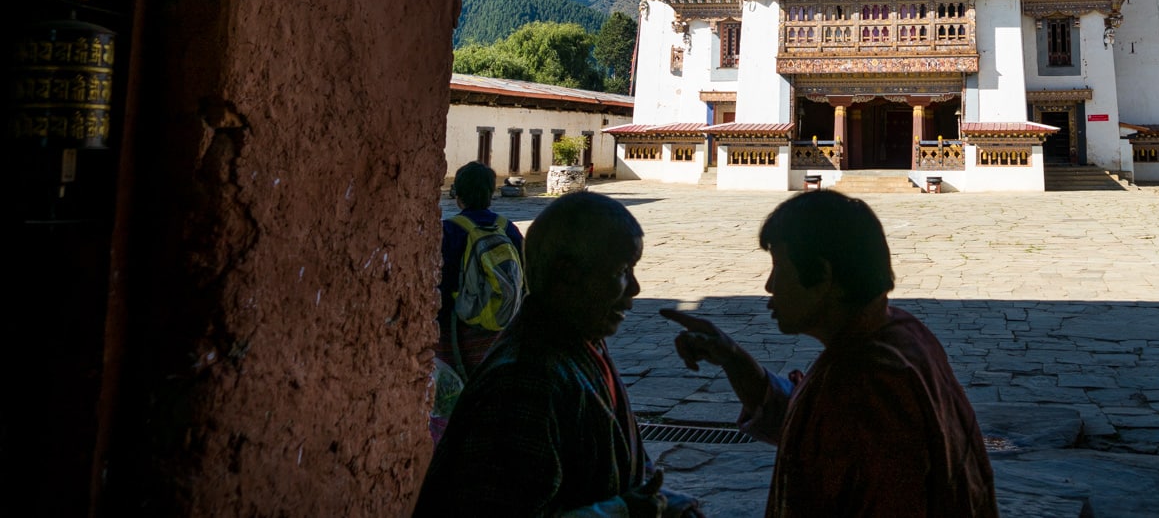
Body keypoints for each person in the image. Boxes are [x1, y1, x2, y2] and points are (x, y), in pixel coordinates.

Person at [661, 189, 998, 518]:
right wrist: (733, 358)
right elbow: (811, 426)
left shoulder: (868, 382)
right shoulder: (900, 333)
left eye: (779, 268)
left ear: (822, 275)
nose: (769, 286)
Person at [415, 191, 702, 516]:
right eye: (622, 270)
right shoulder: (525, 382)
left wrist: (664, 502)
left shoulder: (582, 341)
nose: (635, 288)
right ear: (568, 274)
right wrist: (621, 511)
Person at [438, 162, 525, 378]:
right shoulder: (507, 228)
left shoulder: (448, 231)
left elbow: (440, 280)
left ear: (458, 195)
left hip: (457, 328)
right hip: (500, 329)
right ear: (491, 192)